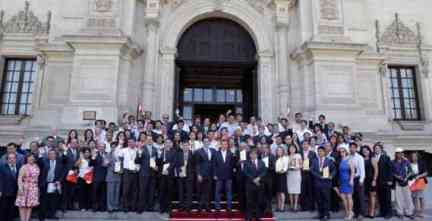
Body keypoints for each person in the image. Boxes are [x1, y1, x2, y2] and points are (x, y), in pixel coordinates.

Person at [311, 146, 336, 221]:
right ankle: (320, 214)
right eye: (319, 151)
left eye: (321, 151)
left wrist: (331, 176)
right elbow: (312, 170)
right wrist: (319, 176)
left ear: (324, 152)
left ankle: (326, 214)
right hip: (317, 183)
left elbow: (334, 170)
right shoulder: (314, 160)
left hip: (326, 183)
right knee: (319, 199)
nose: (320, 152)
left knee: (326, 199)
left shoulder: (329, 160)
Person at [39, 149, 65, 220]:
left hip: (54, 183)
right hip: (45, 184)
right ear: (48, 155)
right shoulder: (44, 162)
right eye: (50, 154)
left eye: (53, 154)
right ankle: (42, 216)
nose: (52, 155)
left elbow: (62, 173)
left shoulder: (59, 163)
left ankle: (52, 214)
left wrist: (59, 181)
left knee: (53, 200)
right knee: (44, 200)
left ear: (56, 155)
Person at [135, 134, 158, 212]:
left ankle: (150, 207)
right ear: (145, 141)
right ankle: (140, 207)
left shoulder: (155, 149)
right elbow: (137, 161)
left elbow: (157, 161)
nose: (149, 141)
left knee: (151, 191)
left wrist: (156, 167)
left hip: (152, 174)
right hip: (143, 173)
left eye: (151, 139)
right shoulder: (142, 148)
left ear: (153, 141)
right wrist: (139, 154)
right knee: (142, 191)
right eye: (148, 139)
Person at [244, 149, 267, 221]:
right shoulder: (246, 163)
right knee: (249, 202)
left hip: (259, 184)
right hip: (250, 185)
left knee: (259, 201)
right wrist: (253, 179)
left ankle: (257, 216)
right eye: (252, 154)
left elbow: (264, 171)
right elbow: (245, 172)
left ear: (257, 155)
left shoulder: (262, 162)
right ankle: (249, 217)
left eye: (255, 154)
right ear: (250, 155)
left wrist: (259, 178)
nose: (253, 155)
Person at [16, 153, 40, 221]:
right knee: (22, 206)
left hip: (33, 188)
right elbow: (19, 178)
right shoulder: (24, 167)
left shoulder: (36, 166)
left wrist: (37, 189)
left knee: (30, 206)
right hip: (25, 188)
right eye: (29, 157)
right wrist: (20, 188)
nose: (31, 159)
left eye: (32, 157)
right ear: (27, 158)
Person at [392, 148, 415, 219]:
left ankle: (409, 212)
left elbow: (411, 171)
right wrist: (397, 176)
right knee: (398, 199)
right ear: (396, 154)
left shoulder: (406, 162)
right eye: (398, 153)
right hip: (397, 182)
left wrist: (406, 177)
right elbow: (391, 172)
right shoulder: (392, 162)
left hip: (406, 182)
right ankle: (400, 212)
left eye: (401, 153)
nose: (399, 154)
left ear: (402, 154)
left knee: (408, 198)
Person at [213, 140, 235, 212]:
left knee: (229, 192)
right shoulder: (216, 153)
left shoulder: (231, 154)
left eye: (225, 144)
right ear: (220, 145)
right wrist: (215, 174)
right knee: (217, 191)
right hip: (219, 176)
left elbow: (232, 165)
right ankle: (217, 207)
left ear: (227, 145)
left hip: (228, 176)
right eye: (223, 144)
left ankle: (229, 207)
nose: (224, 146)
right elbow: (214, 165)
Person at [195, 137, 216, 212]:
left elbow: (214, 164)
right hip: (201, 174)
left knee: (208, 191)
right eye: (205, 141)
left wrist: (214, 174)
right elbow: (197, 164)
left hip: (210, 175)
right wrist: (198, 174)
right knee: (200, 191)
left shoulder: (213, 151)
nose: (206, 143)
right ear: (203, 142)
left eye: (208, 141)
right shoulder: (198, 151)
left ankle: (207, 206)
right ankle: (200, 206)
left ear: (209, 143)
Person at [373, 142, 393, 219]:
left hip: (386, 181)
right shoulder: (373, 157)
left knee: (387, 198)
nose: (376, 150)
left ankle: (389, 213)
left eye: (378, 148)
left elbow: (390, 169)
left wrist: (390, 180)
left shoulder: (386, 157)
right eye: (375, 148)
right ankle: (382, 212)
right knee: (380, 198)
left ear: (381, 149)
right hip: (377, 182)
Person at [119, 138, 139, 212]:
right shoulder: (124, 150)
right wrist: (120, 145)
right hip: (126, 171)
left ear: (135, 143)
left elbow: (139, 161)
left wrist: (137, 169)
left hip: (135, 171)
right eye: (129, 142)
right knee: (126, 190)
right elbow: (119, 157)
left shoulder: (137, 150)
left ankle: (133, 206)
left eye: (132, 142)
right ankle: (125, 207)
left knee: (134, 190)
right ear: (127, 143)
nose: (131, 144)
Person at [0, 153, 22, 221]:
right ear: (7, 160)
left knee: (12, 209)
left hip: (15, 192)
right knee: (4, 209)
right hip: (5, 192)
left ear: (16, 159)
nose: (12, 160)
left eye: (13, 158)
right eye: (10, 158)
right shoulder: (2, 167)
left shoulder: (19, 167)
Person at [157, 139, 177, 213]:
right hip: (161, 175)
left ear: (171, 144)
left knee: (169, 191)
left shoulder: (174, 152)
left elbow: (174, 162)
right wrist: (158, 157)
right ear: (164, 144)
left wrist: (168, 169)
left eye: (169, 142)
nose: (167, 144)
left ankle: (168, 208)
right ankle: (161, 208)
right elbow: (157, 163)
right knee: (162, 191)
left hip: (169, 174)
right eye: (166, 143)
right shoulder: (160, 151)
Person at [348, 142, 365, 220]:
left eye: (353, 147)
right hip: (351, 179)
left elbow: (362, 170)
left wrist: (361, 180)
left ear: (356, 148)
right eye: (350, 147)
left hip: (358, 179)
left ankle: (361, 213)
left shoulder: (359, 157)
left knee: (360, 197)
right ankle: (356, 212)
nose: (352, 149)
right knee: (353, 197)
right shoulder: (348, 157)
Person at [361, 145, 378, 219]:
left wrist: (374, 180)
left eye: (366, 150)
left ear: (369, 151)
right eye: (363, 150)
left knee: (372, 196)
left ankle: (372, 212)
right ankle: (368, 211)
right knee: (366, 197)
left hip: (371, 180)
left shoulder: (372, 159)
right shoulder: (361, 159)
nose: (365, 151)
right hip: (364, 180)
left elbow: (376, 170)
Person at [89, 143, 108, 212]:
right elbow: (90, 164)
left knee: (103, 193)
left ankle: (102, 207)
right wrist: (93, 157)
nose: (101, 148)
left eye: (103, 147)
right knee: (95, 193)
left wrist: (107, 163)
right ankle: (95, 207)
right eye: (100, 146)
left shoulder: (107, 154)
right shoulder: (95, 154)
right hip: (96, 177)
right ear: (98, 147)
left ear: (105, 148)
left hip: (105, 177)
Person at [338, 144, 355, 220]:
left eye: (343, 151)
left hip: (348, 180)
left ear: (346, 152)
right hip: (342, 181)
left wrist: (351, 180)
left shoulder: (349, 159)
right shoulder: (340, 160)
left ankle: (350, 212)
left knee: (349, 197)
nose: (342, 153)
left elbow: (353, 171)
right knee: (343, 198)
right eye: (341, 152)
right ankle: (347, 212)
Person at [299, 140, 317, 211]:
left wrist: (311, 168)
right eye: (304, 144)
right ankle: (303, 207)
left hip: (310, 174)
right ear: (302, 145)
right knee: (302, 191)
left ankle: (311, 207)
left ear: (308, 145)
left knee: (310, 191)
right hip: (302, 173)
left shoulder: (313, 153)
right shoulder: (299, 153)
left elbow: (315, 162)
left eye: (306, 144)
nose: (305, 145)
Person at [409, 152, 428, 218]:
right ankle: (417, 210)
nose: (413, 157)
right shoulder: (409, 164)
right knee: (414, 197)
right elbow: (409, 173)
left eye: (414, 156)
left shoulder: (421, 163)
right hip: (412, 182)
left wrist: (419, 176)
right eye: (412, 156)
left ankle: (419, 212)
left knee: (419, 197)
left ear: (417, 157)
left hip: (420, 181)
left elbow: (425, 173)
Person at [177, 142, 194, 212]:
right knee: (181, 192)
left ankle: (188, 207)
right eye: (184, 145)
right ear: (182, 146)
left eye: (186, 145)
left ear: (188, 146)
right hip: (181, 176)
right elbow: (176, 164)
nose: (185, 147)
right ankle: (181, 206)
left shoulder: (192, 154)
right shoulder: (179, 154)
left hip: (189, 176)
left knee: (189, 192)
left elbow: (194, 165)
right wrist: (179, 171)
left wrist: (192, 174)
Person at [105, 142, 122, 213]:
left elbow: (123, 164)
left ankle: (116, 206)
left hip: (118, 175)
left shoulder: (120, 155)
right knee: (110, 192)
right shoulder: (108, 154)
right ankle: (110, 207)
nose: (113, 148)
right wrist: (107, 162)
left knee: (117, 192)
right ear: (110, 147)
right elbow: (104, 164)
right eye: (112, 147)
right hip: (111, 176)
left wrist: (121, 169)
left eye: (115, 146)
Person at [259, 143, 275, 213]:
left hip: (269, 178)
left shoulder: (272, 156)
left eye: (265, 148)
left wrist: (268, 167)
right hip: (261, 178)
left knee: (269, 193)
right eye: (263, 147)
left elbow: (274, 167)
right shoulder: (259, 156)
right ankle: (263, 208)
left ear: (268, 149)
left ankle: (269, 208)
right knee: (262, 193)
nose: (264, 149)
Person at [286, 144, 302, 212]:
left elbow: (301, 165)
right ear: (289, 149)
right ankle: (291, 205)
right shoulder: (287, 156)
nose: (292, 149)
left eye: (293, 148)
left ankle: (295, 205)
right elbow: (285, 166)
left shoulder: (298, 155)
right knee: (290, 190)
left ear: (295, 149)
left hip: (297, 173)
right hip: (289, 174)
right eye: (290, 148)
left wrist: (297, 168)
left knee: (296, 190)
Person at [274, 147, 288, 212]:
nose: (279, 152)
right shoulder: (275, 158)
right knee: (278, 192)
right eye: (278, 150)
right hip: (276, 176)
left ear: (282, 151)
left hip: (282, 176)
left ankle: (282, 207)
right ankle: (278, 206)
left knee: (282, 192)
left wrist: (281, 171)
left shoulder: (285, 158)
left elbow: (285, 168)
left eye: (280, 150)